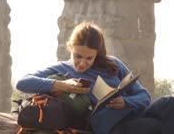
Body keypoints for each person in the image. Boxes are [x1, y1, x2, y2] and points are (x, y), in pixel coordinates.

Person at [15, 21, 174, 134]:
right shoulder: (63, 68)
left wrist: (127, 102)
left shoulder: (113, 64)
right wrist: (60, 85)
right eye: (78, 56)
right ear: (71, 48)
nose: (82, 63)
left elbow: (144, 96)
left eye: (89, 58)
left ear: (97, 54)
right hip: (111, 126)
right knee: (158, 126)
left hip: (133, 112)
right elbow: (22, 82)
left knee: (169, 102)